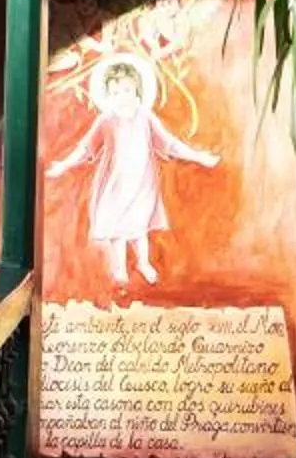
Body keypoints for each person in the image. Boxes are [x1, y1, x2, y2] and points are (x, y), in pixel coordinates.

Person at [47, 54, 218, 290]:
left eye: (127, 90)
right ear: (107, 95)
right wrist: (64, 164)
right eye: (115, 92)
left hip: (142, 182)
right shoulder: (106, 120)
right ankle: (119, 269)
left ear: (137, 91)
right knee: (118, 229)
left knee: (139, 228)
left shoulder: (145, 117)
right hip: (115, 184)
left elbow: (168, 143)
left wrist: (199, 157)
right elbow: (86, 147)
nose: (122, 97)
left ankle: (143, 263)